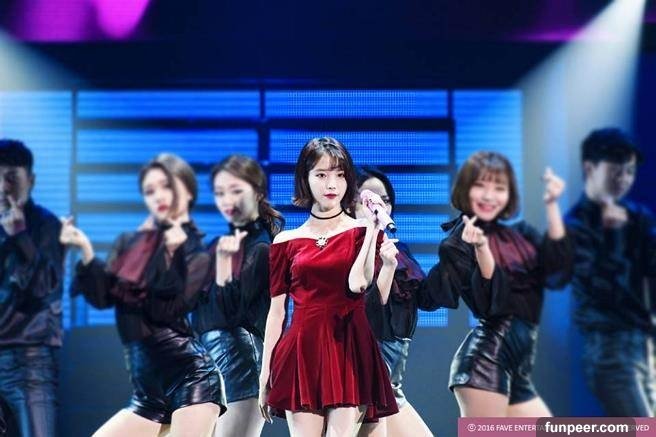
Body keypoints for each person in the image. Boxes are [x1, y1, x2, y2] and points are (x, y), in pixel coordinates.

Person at [60, 153, 225, 437]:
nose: (158, 196)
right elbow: (103, 298)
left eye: (166, 186)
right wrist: (85, 251)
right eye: (149, 191)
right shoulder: (131, 243)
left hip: (190, 379)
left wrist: (171, 255)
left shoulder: (197, 254)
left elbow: (164, 311)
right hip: (147, 392)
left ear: (186, 190)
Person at [258, 137, 399, 436]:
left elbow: (359, 284)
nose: (331, 184)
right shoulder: (285, 241)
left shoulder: (363, 230)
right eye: (321, 175)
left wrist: (371, 230)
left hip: (349, 345)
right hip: (302, 350)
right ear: (305, 179)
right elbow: (276, 313)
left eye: (339, 174)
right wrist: (264, 374)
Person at [439, 151, 571, 417]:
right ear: (466, 188)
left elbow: (558, 272)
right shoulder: (457, 243)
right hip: (486, 364)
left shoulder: (519, 234)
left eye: (499, 188)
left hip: (518, 368)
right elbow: (487, 305)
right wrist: (481, 249)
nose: (490, 196)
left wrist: (552, 205)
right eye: (481, 186)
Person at [356, 167, 454, 437]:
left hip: (392, 379)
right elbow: (367, 312)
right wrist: (385, 267)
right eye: (369, 200)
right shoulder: (348, 249)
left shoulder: (398, 249)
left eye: (385, 200)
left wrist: (453, 255)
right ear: (351, 205)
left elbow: (426, 299)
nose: (379, 206)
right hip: (365, 373)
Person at [566, 128, 656, 416]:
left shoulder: (638, 217)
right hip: (610, 349)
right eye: (616, 171)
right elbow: (598, 288)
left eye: (629, 172)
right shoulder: (574, 225)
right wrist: (613, 237)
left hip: (646, 345)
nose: (623, 179)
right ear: (589, 168)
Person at [192, 155, 284, 437]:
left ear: (258, 191)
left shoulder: (262, 249)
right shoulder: (219, 245)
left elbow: (232, 314)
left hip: (240, 362)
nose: (227, 200)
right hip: (208, 362)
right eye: (220, 193)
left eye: (235, 190)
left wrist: (222, 268)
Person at [0, 139, 64, 437]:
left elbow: (45, 287)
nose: (3, 187)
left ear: (31, 180)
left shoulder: (46, 225)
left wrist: (20, 236)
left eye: (11, 177)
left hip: (28, 360)